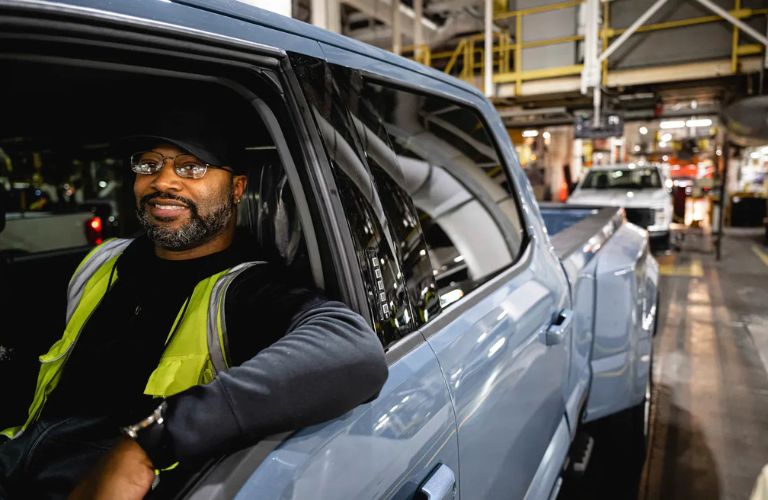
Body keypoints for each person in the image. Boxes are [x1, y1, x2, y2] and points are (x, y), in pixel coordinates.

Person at [0, 114, 388, 499]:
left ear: (236, 188)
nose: (162, 181)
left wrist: (153, 439)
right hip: (17, 456)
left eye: (191, 167)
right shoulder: (103, 261)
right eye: (148, 164)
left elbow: (355, 351)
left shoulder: (251, 290)